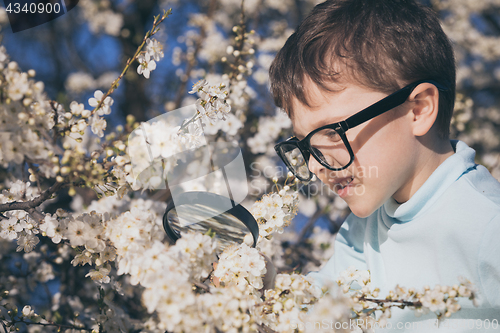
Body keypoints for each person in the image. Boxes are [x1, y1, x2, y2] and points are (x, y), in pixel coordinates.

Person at [267, 0, 500, 331]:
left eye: (332, 132)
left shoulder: (486, 225)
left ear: (417, 109)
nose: (316, 165)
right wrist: (264, 285)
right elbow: (324, 310)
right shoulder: (362, 232)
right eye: (305, 146)